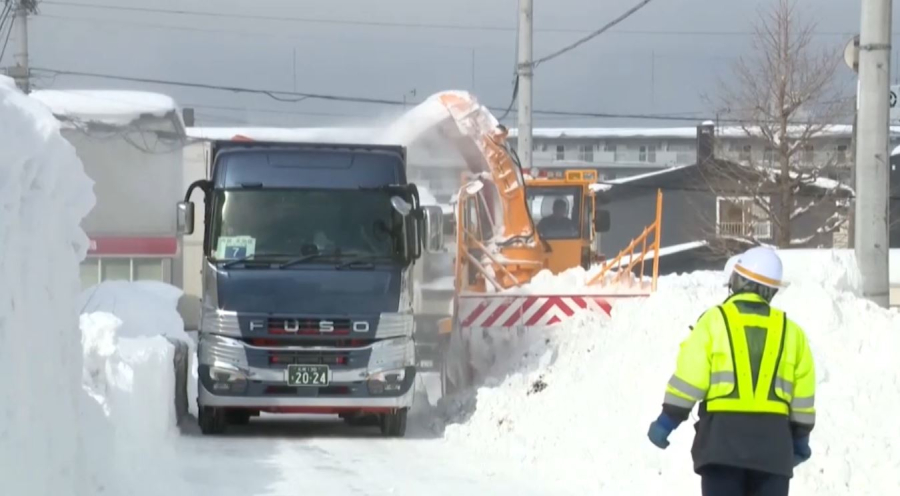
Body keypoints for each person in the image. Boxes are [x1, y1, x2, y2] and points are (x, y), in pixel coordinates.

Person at [646, 246, 816, 496]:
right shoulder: (792, 332)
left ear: (737, 281)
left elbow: (690, 379)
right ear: (772, 290)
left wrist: (666, 422)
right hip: (774, 452)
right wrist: (800, 441)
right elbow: (802, 397)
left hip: (721, 447)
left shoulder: (714, 322)